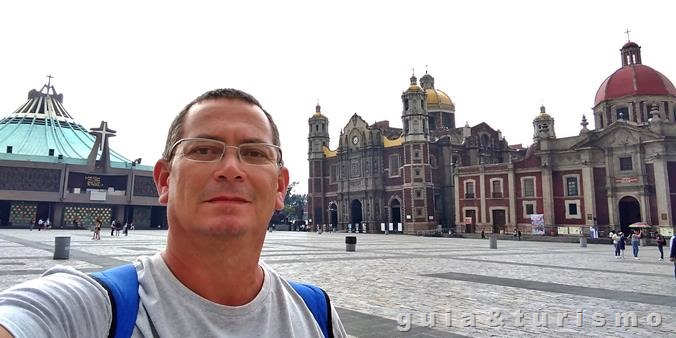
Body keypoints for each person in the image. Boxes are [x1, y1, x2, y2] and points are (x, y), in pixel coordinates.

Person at [0, 88, 346, 337]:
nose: (230, 168)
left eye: (254, 153)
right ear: (164, 180)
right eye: (205, 150)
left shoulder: (318, 315)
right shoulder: (88, 309)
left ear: (280, 187)